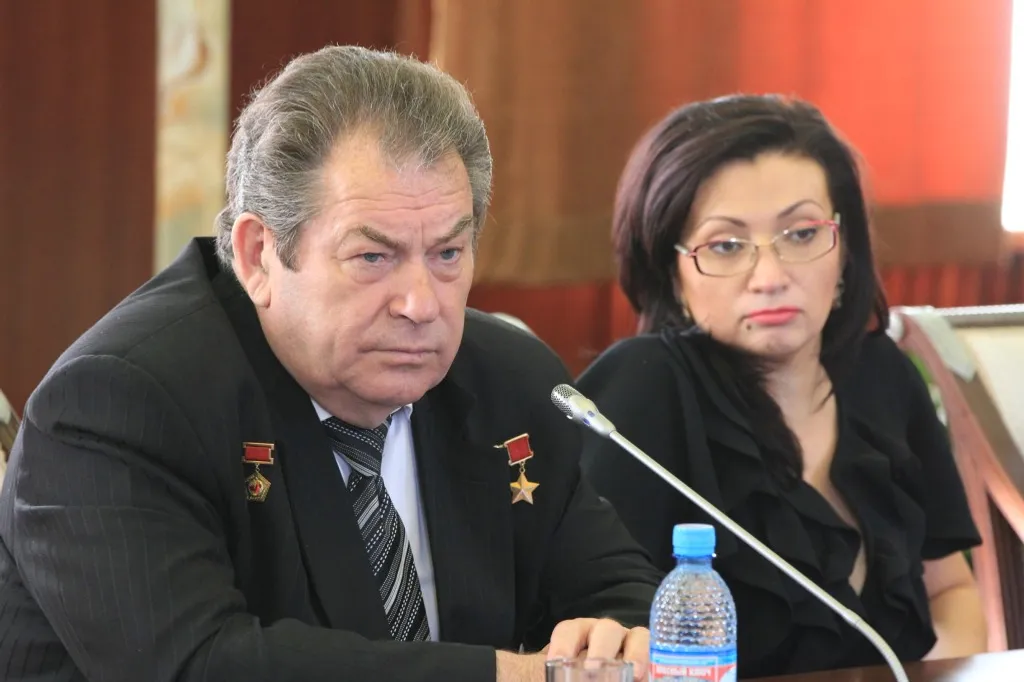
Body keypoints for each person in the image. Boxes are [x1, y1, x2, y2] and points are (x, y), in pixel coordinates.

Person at [0, 46, 660, 682]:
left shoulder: (507, 381)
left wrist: (618, 641)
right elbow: (202, 664)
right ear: (259, 255)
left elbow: (620, 595)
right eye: (372, 257)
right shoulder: (120, 404)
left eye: (447, 254)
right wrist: (516, 676)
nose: (419, 304)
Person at [577, 95, 986, 678]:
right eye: (725, 245)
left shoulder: (884, 377)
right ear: (674, 272)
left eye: (801, 234)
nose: (770, 277)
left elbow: (951, 591)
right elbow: (597, 625)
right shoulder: (643, 389)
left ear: (844, 250)